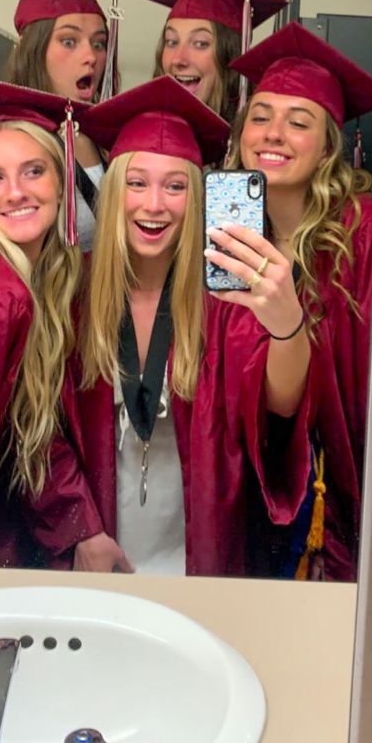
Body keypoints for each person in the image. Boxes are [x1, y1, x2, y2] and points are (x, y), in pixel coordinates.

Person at [73, 75, 311, 576]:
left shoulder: (224, 300)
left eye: (175, 186)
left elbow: (279, 405)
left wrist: (288, 325)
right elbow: (45, 435)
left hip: (195, 550)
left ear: (196, 196)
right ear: (115, 192)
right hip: (98, 551)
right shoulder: (75, 296)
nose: (154, 204)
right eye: (136, 183)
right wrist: (79, 529)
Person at [227, 21, 372, 581]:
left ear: (326, 150)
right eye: (261, 116)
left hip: (331, 477)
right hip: (244, 472)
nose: (272, 134)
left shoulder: (365, 233)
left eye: (299, 123)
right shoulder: (227, 228)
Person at [0, 82, 101, 567]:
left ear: (61, 180)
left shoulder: (28, 277)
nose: (16, 192)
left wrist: (83, 530)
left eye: (33, 171)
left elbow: (28, 425)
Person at [0, 0, 126, 250]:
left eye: (99, 43)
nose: (90, 56)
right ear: (34, 49)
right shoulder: (4, 142)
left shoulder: (107, 136)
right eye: (69, 41)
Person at [146, 0, 286, 122]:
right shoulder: (140, 138)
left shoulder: (255, 142)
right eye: (171, 42)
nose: (178, 59)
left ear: (230, 57)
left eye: (200, 43)